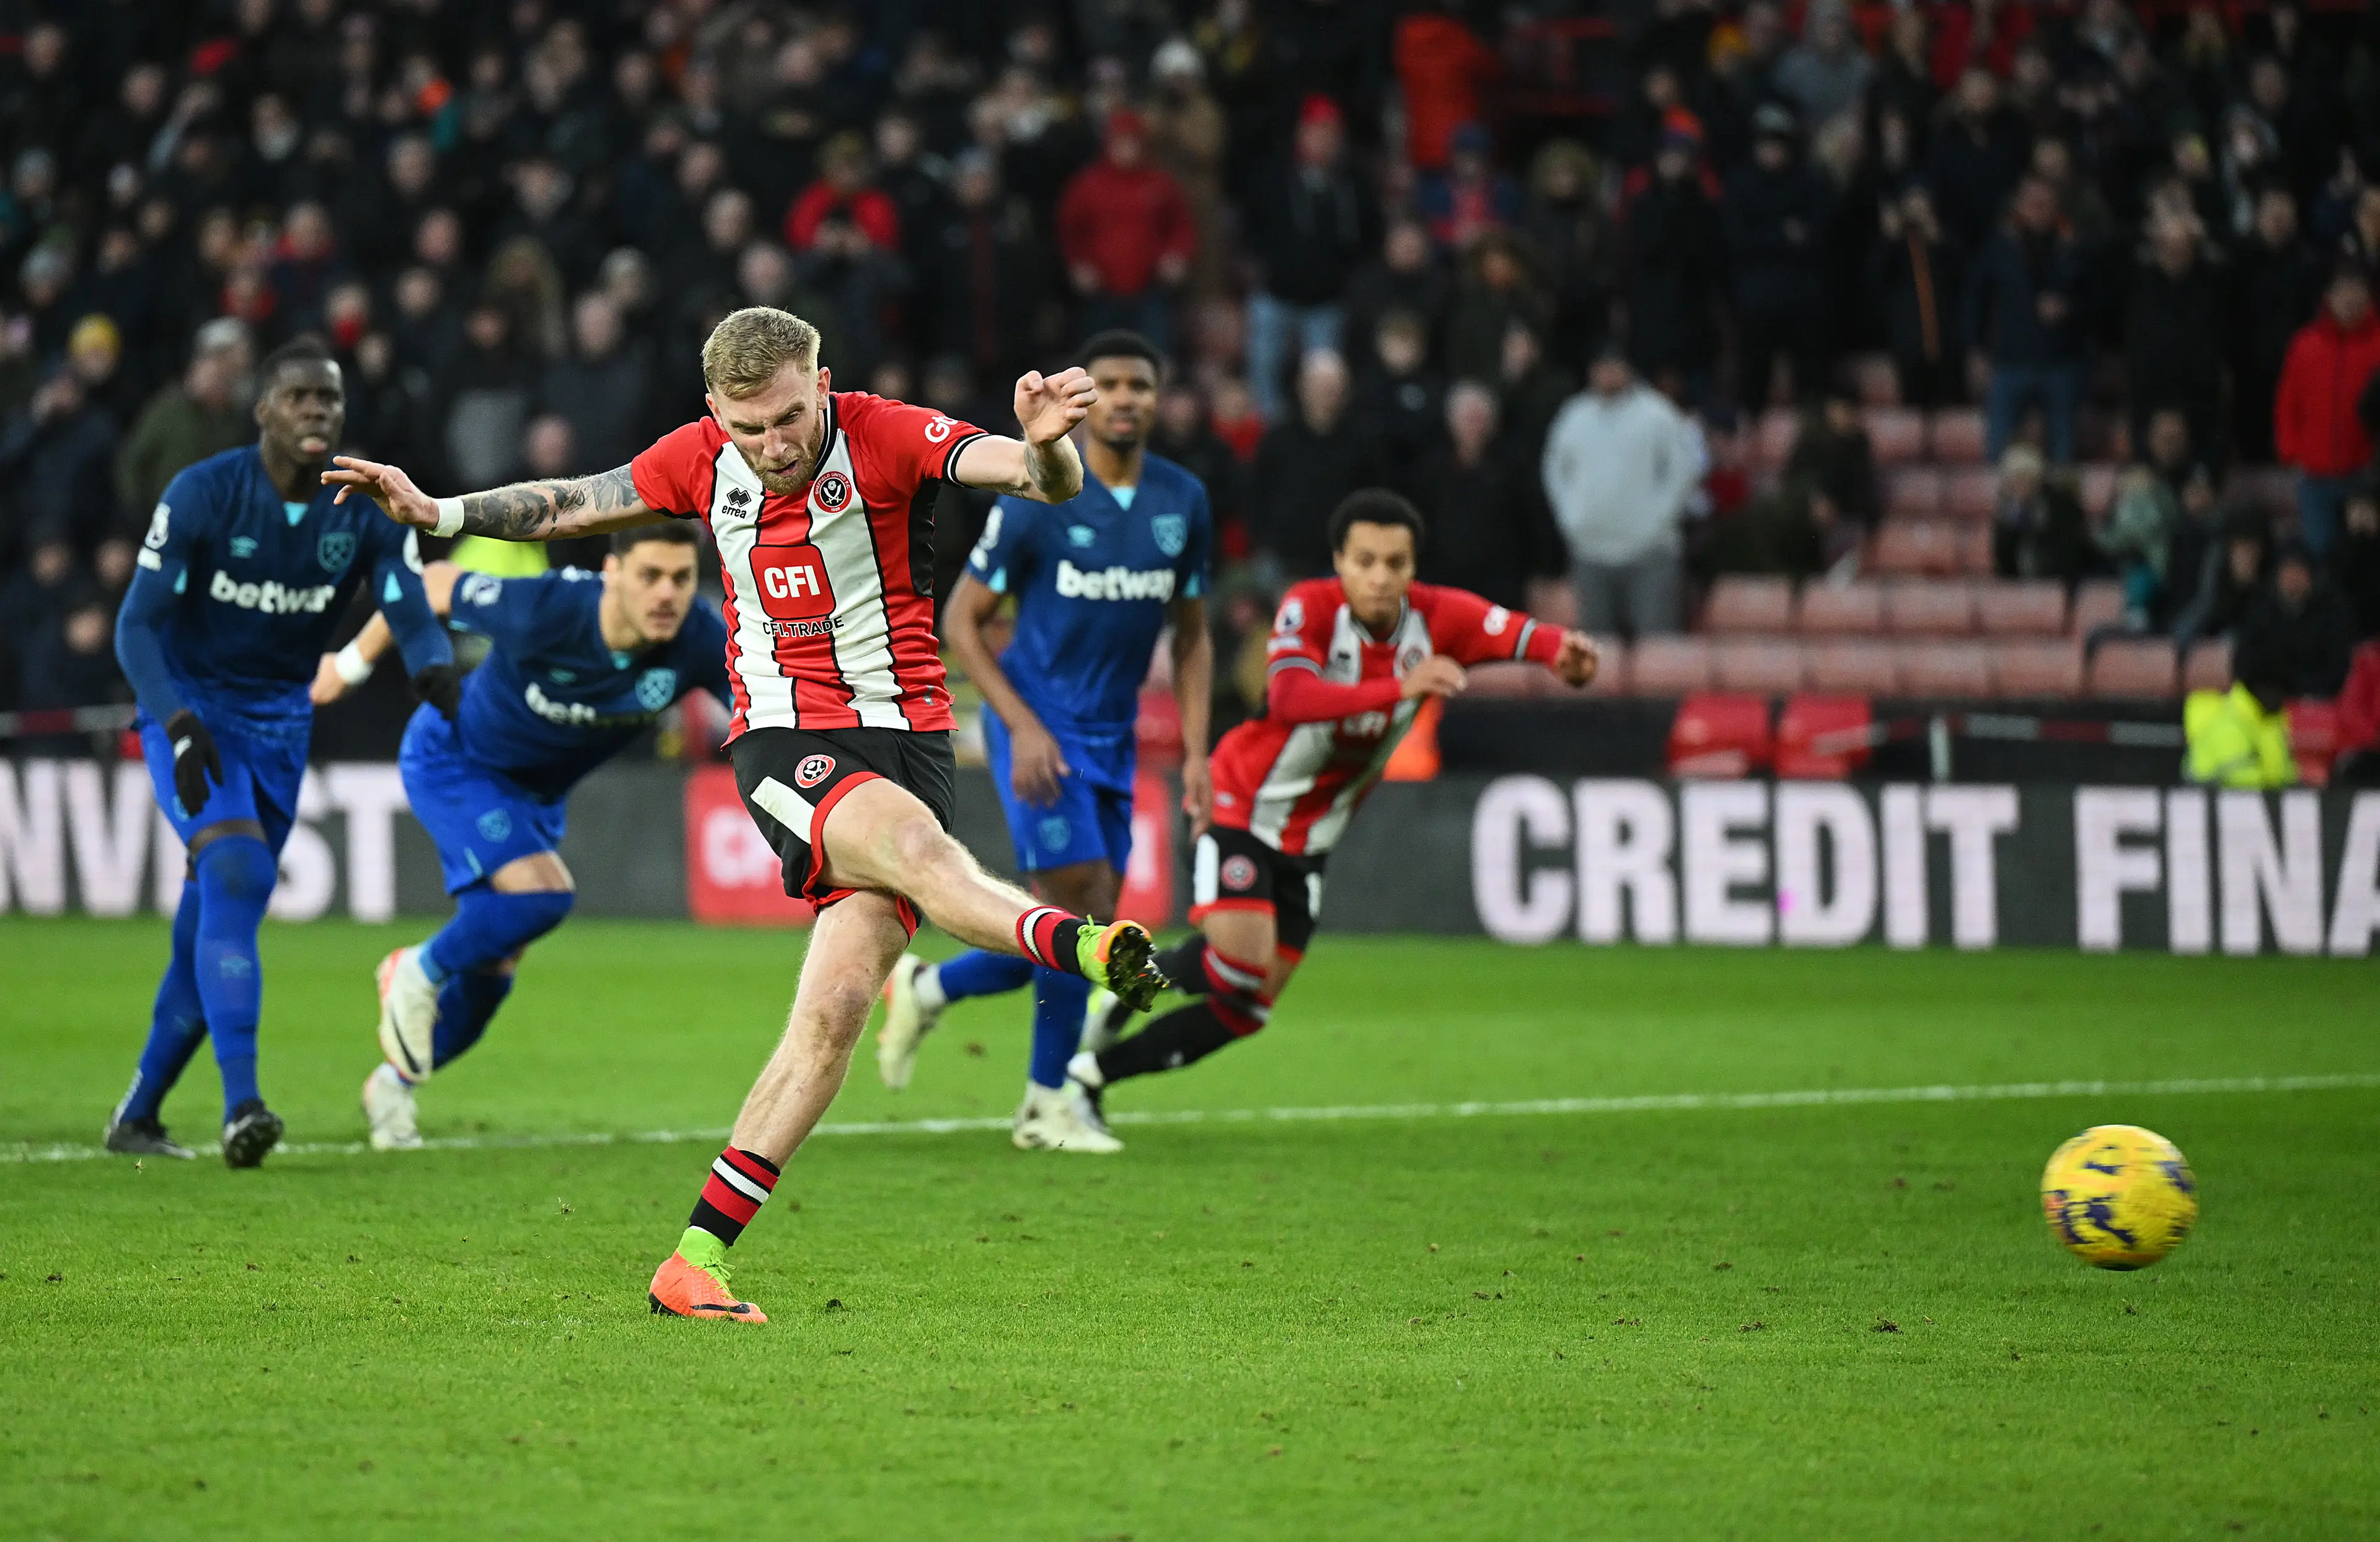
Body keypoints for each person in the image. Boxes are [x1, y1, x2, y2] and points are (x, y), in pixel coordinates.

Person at [323, 306, 1167, 1323]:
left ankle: (693, 1260)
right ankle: (1081, 946)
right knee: (916, 849)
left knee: (836, 1011)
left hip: (911, 739)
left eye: (788, 418)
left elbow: (1036, 477)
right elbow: (572, 505)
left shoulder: (886, 433)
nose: (771, 445)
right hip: (786, 738)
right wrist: (439, 511)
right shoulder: (697, 457)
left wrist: (1049, 445)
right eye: (748, 426)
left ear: (822, 384)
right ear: (715, 411)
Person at [1066, 490, 1595, 1103]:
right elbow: (1292, 697)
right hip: (1240, 804)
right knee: (1240, 966)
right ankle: (1131, 983)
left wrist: (1567, 655)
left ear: (1413, 567)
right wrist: (1400, 687)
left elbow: (1523, 635)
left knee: (1248, 1008)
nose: (1380, 577)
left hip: (1311, 838)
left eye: (1395, 563)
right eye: (1365, 560)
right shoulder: (1310, 607)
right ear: (1340, 561)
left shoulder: (1440, 617)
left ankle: (1092, 1075)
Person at [104, 337, 457, 1166]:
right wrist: (176, 722)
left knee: (214, 918)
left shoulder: (362, 506)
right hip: (192, 713)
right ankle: (244, 1106)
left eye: (329, 398)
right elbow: (136, 626)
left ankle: (138, 1116)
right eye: (299, 396)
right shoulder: (203, 493)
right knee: (238, 873)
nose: (316, 411)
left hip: (282, 725)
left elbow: (406, 602)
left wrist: (436, 668)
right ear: (263, 409)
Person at [879, 332, 1214, 1152]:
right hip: (1038, 728)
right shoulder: (1041, 492)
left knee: (1088, 919)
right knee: (1079, 912)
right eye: (1111, 384)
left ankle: (929, 988)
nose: (1126, 397)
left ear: (1158, 398)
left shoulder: (1182, 501)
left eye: (1141, 384)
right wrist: (1021, 724)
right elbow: (962, 621)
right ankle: (1045, 1105)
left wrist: (1199, 754)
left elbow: (1194, 635)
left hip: (1112, 734)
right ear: (1086, 397)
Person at [309, 528, 731, 1150]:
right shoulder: (551, 608)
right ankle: (415, 968)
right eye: (650, 576)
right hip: (456, 759)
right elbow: (432, 584)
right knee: (542, 897)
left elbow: (763, 710)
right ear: (613, 573)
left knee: (495, 965)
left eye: (681, 578)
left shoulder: (700, 638)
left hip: (533, 797)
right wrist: (348, 665)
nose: (666, 594)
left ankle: (393, 1085)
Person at [1541, 345, 1704, 637]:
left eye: (1613, 367)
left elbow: (1683, 471)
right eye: (1600, 367)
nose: (1607, 374)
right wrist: (1571, 517)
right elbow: (1554, 470)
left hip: (1650, 553)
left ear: (1628, 369)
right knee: (1597, 650)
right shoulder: (1574, 416)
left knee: (1656, 646)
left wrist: (1657, 521)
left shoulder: (1658, 414)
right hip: (1590, 550)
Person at [1964, 176, 2089, 464]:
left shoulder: (2074, 246)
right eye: (2033, 204)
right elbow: (1974, 298)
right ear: (2019, 205)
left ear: (2057, 206)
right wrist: (1975, 349)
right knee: (1998, 452)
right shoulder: (2000, 245)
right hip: (2011, 362)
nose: (2039, 210)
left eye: (2045, 204)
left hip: (2061, 363)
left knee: (2063, 454)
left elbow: (2097, 301)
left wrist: (2068, 308)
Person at [2274, 262, 2380, 557]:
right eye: (2342, 291)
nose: (2349, 299)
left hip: (2365, 477)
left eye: (2357, 290)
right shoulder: (2305, 345)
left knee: (2365, 559)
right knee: (2321, 558)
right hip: (2315, 478)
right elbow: (2287, 403)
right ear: (2329, 297)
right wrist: (2291, 452)